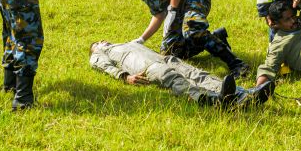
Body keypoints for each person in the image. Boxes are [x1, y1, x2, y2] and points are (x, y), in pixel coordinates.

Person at [106, 0, 250, 78]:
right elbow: (158, 14)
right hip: (177, 11)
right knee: (170, 54)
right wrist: (141, 39)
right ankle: (215, 38)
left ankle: (237, 64)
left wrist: (173, 9)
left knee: (191, 30)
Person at [90, 40, 274, 109]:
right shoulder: (98, 55)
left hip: (164, 59)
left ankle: (243, 94)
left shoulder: (125, 43)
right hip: (147, 67)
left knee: (197, 74)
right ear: (95, 49)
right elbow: (106, 67)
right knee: (176, 80)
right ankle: (213, 100)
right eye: (97, 43)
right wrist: (125, 76)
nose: (102, 41)